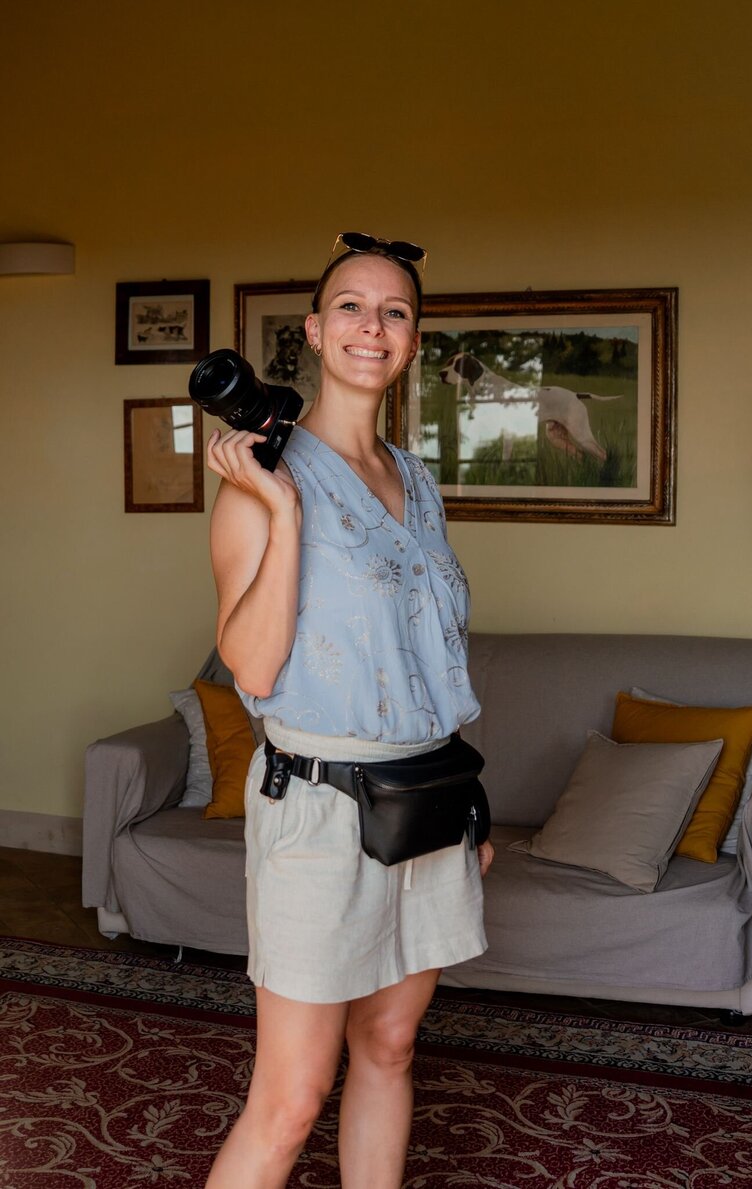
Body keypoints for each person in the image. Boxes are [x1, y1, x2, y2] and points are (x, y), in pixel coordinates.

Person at [203, 232, 494, 1189]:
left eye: (395, 311)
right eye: (352, 307)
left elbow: (426, 658)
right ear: (316, 331)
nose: (374, 326)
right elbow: (252, 663)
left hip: (427, 801)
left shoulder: (418, 480)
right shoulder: (259, 479)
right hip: (320, 808)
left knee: (390, 1047)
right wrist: (285, 514)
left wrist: (466, 809)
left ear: (412, 341)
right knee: (289, 1099)